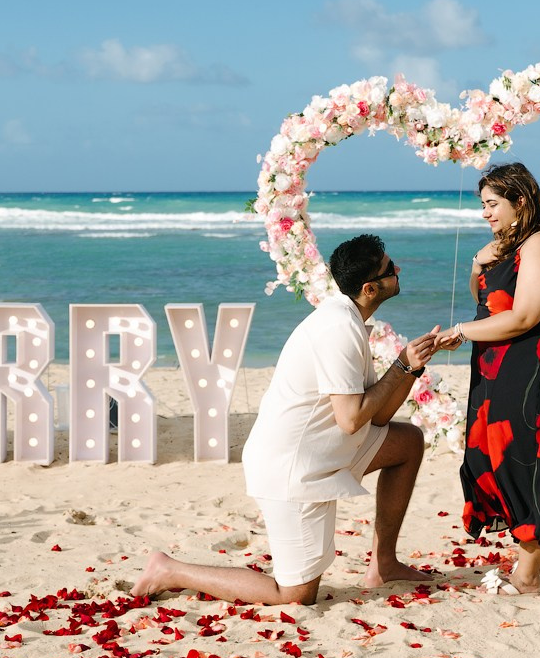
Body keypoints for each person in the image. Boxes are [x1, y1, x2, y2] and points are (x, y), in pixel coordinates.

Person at [133, 234, 447, 605]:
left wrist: (408, 366)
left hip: (328, 452)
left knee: (407, 442)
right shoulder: (338, 328)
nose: (399, 271)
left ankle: (383, 564)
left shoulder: (348, 318)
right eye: (390, 268)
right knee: (296, 596)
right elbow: (351, 419)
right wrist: (400, 365)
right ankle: (170, 570)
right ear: (370, 287)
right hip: (293, 469)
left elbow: (376, 418)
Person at [442, 162, 540, 595]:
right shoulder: (507, 245)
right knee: (491, 454)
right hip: (496, 361)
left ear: (520, 200)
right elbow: (488, 301)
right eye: (482, 204)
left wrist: (461, 331)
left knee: (522, 456)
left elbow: (522, 317)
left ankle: (528, 573)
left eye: (492, 203)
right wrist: (479, 263)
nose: (485, 212)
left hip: (534, 362)